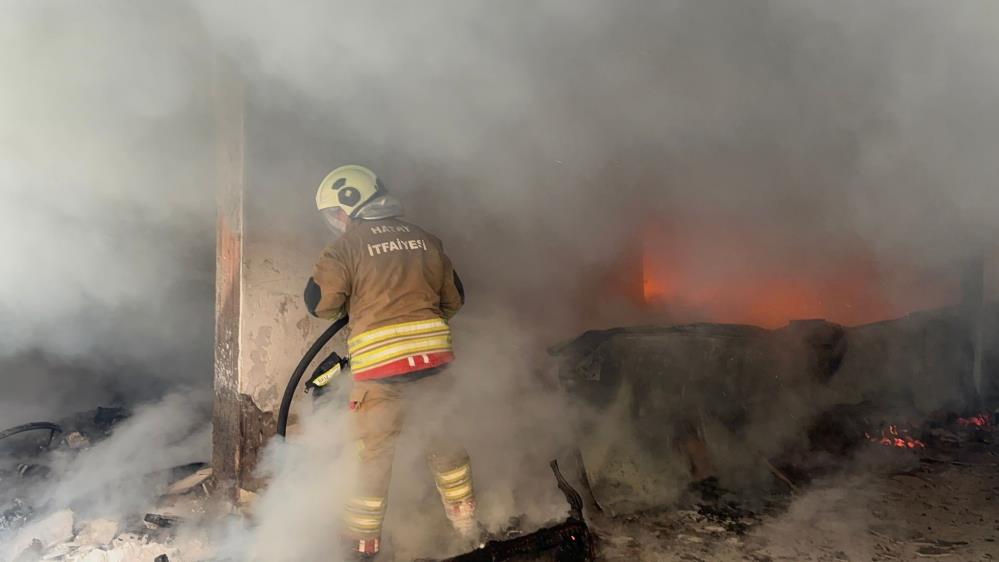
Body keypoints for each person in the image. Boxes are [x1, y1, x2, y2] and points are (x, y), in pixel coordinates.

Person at [304, 164, 476, 558]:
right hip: (434, 366)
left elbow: (320, 303)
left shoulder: (345, 247)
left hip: (381, 376)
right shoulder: (427, 240)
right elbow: (455, 300)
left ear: (350, 205)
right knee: (447, 446)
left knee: (373, 458)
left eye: (335, 213)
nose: (335, 221)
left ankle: (362, 548)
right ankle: (467, 529)